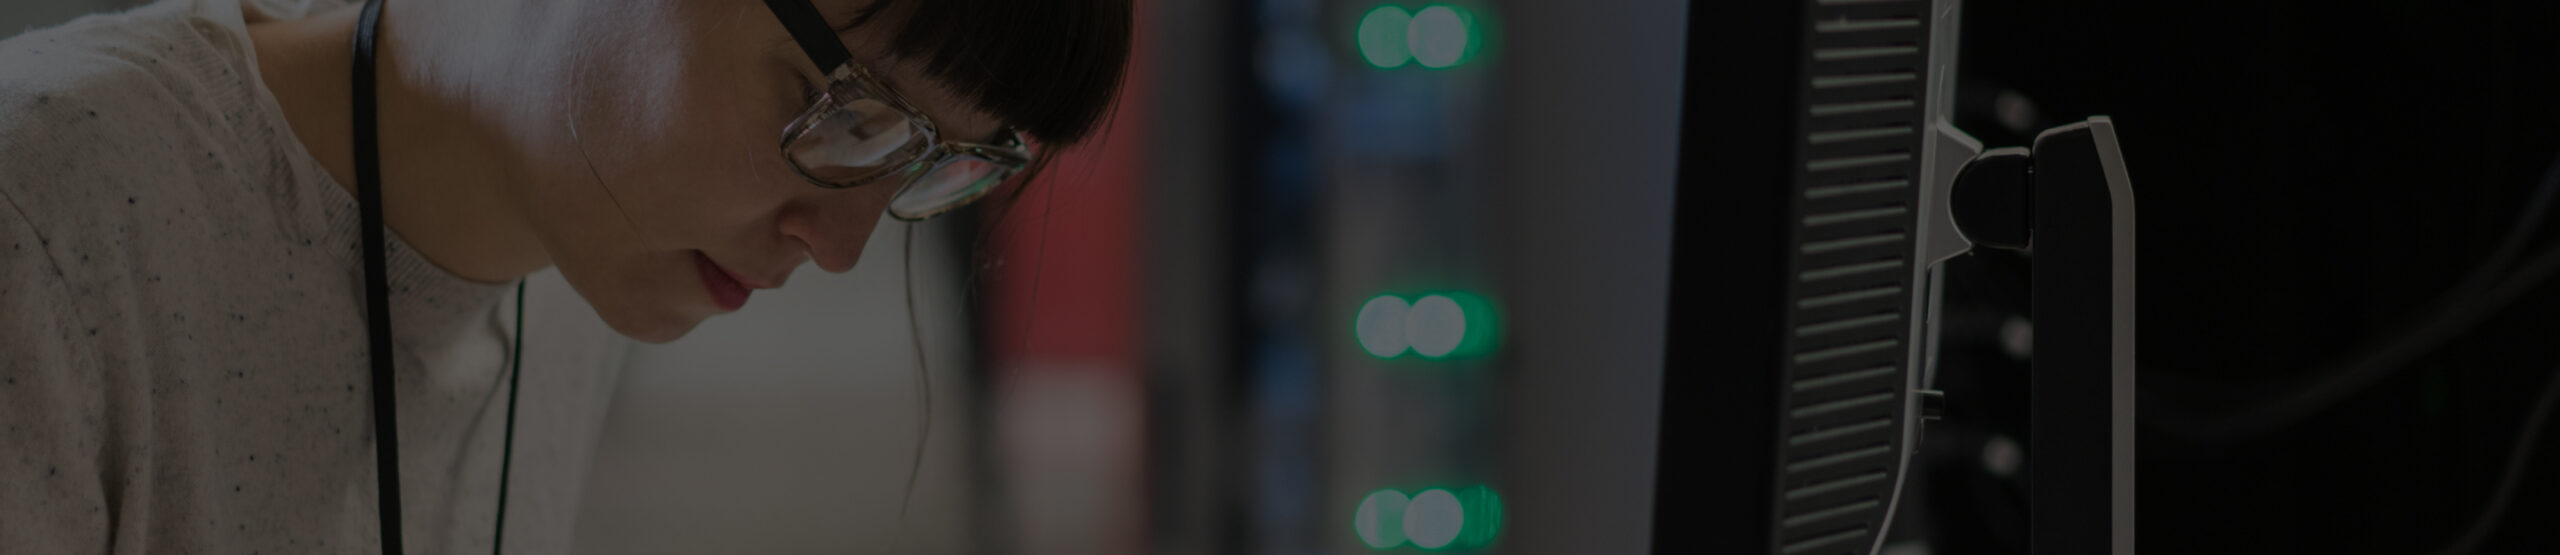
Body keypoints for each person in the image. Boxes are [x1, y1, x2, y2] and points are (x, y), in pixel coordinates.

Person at [0, 0, 1129, 552]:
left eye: (933, 165)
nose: (833, 245)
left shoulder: (573, 276)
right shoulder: (49, 208)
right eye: (837, 108)